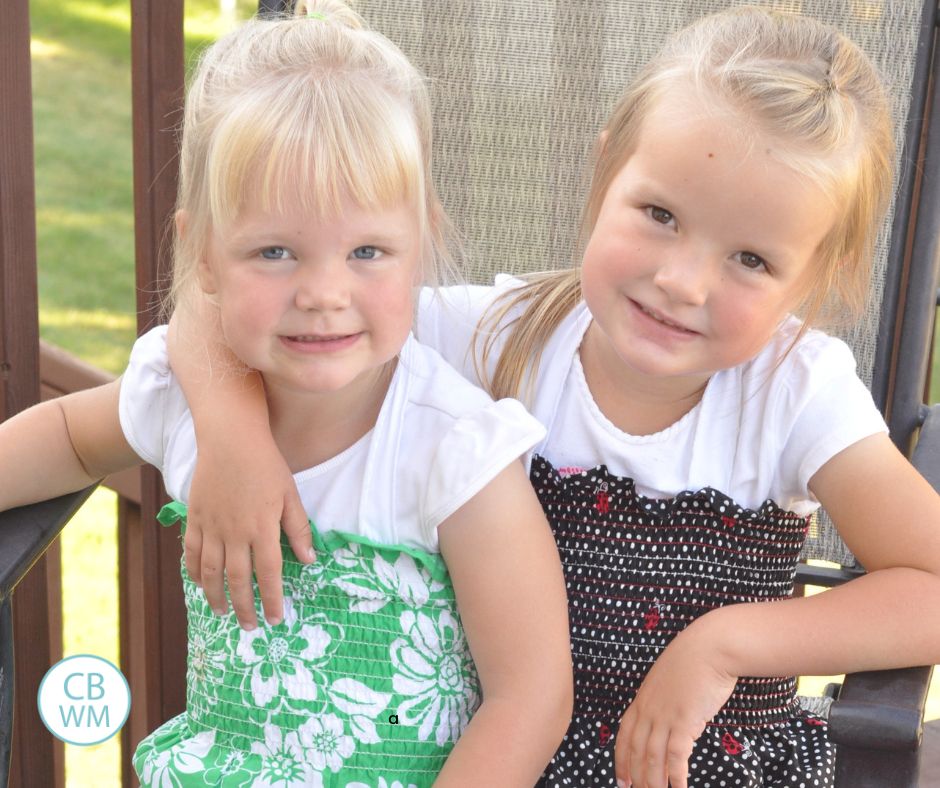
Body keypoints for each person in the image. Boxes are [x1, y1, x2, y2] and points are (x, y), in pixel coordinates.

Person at [165, 5, 940, 788]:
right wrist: (234, 443)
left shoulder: (794, 396)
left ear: (810, 280)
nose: (682, 280)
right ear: (605, 176)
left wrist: (728, 643)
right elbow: (213, 298)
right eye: (660, 215)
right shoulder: (503, 336)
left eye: (751, 259)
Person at [0, 4, 575, 786]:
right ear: (205, 258)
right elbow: (70, 439)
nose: (324, 293)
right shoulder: (183, 400)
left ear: (421, 243)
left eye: (368, 250)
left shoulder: (452, 451)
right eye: (275, 252)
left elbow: (530, 697)